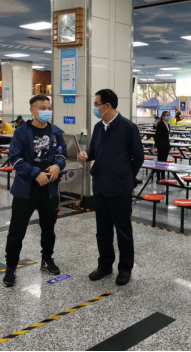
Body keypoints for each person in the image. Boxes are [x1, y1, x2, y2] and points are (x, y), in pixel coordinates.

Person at [78, 89, 144, 286]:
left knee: (123, 230)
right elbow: (94, 151)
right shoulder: (99, 127)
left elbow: (138, 157)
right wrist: (86, 155)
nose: (95, 107)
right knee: (103, 230)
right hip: (100, 186)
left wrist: (126, 176)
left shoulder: (128, 127)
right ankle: (105, 265)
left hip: (120, 188)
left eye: (97, 104)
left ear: (107, 106)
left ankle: (125, 268)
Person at [3, 95, 68, 288]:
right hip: (25, 190)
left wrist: (58, 165)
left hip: (49, 190)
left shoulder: (56, 132)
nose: (47, 111)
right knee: (17, 230)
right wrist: (35, 173)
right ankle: (11, 266)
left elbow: (63, 154)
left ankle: (47, 259)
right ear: (32, 110)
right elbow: (15, 158)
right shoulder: (21, 132)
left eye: (49, 107)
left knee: (48, 228)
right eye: (42, 107)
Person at [154, 110, 171, 183]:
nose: (168, 116)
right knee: (159, 162)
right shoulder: (160, 124)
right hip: (161, 145)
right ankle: (158, 177)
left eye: (169, 115)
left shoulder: (168, 124)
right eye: (167, 115)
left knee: (164, 162)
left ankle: (163, 177)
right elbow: (157, 136)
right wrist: (157, 145)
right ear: (163, 117)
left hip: (166, 145)